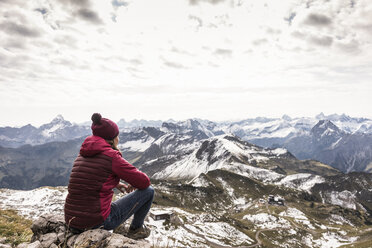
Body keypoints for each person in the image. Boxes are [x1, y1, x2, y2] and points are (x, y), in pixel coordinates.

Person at [64, 113, 154, 239]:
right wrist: (134, 182)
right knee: (149, 191)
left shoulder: (83, 154)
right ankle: (136, 229)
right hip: (96, 222)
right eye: (117, 136)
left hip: (71, 221)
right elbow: (144, 182)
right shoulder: (111, 156)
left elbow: (90, 177)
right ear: (112, 138)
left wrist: (116, 184)